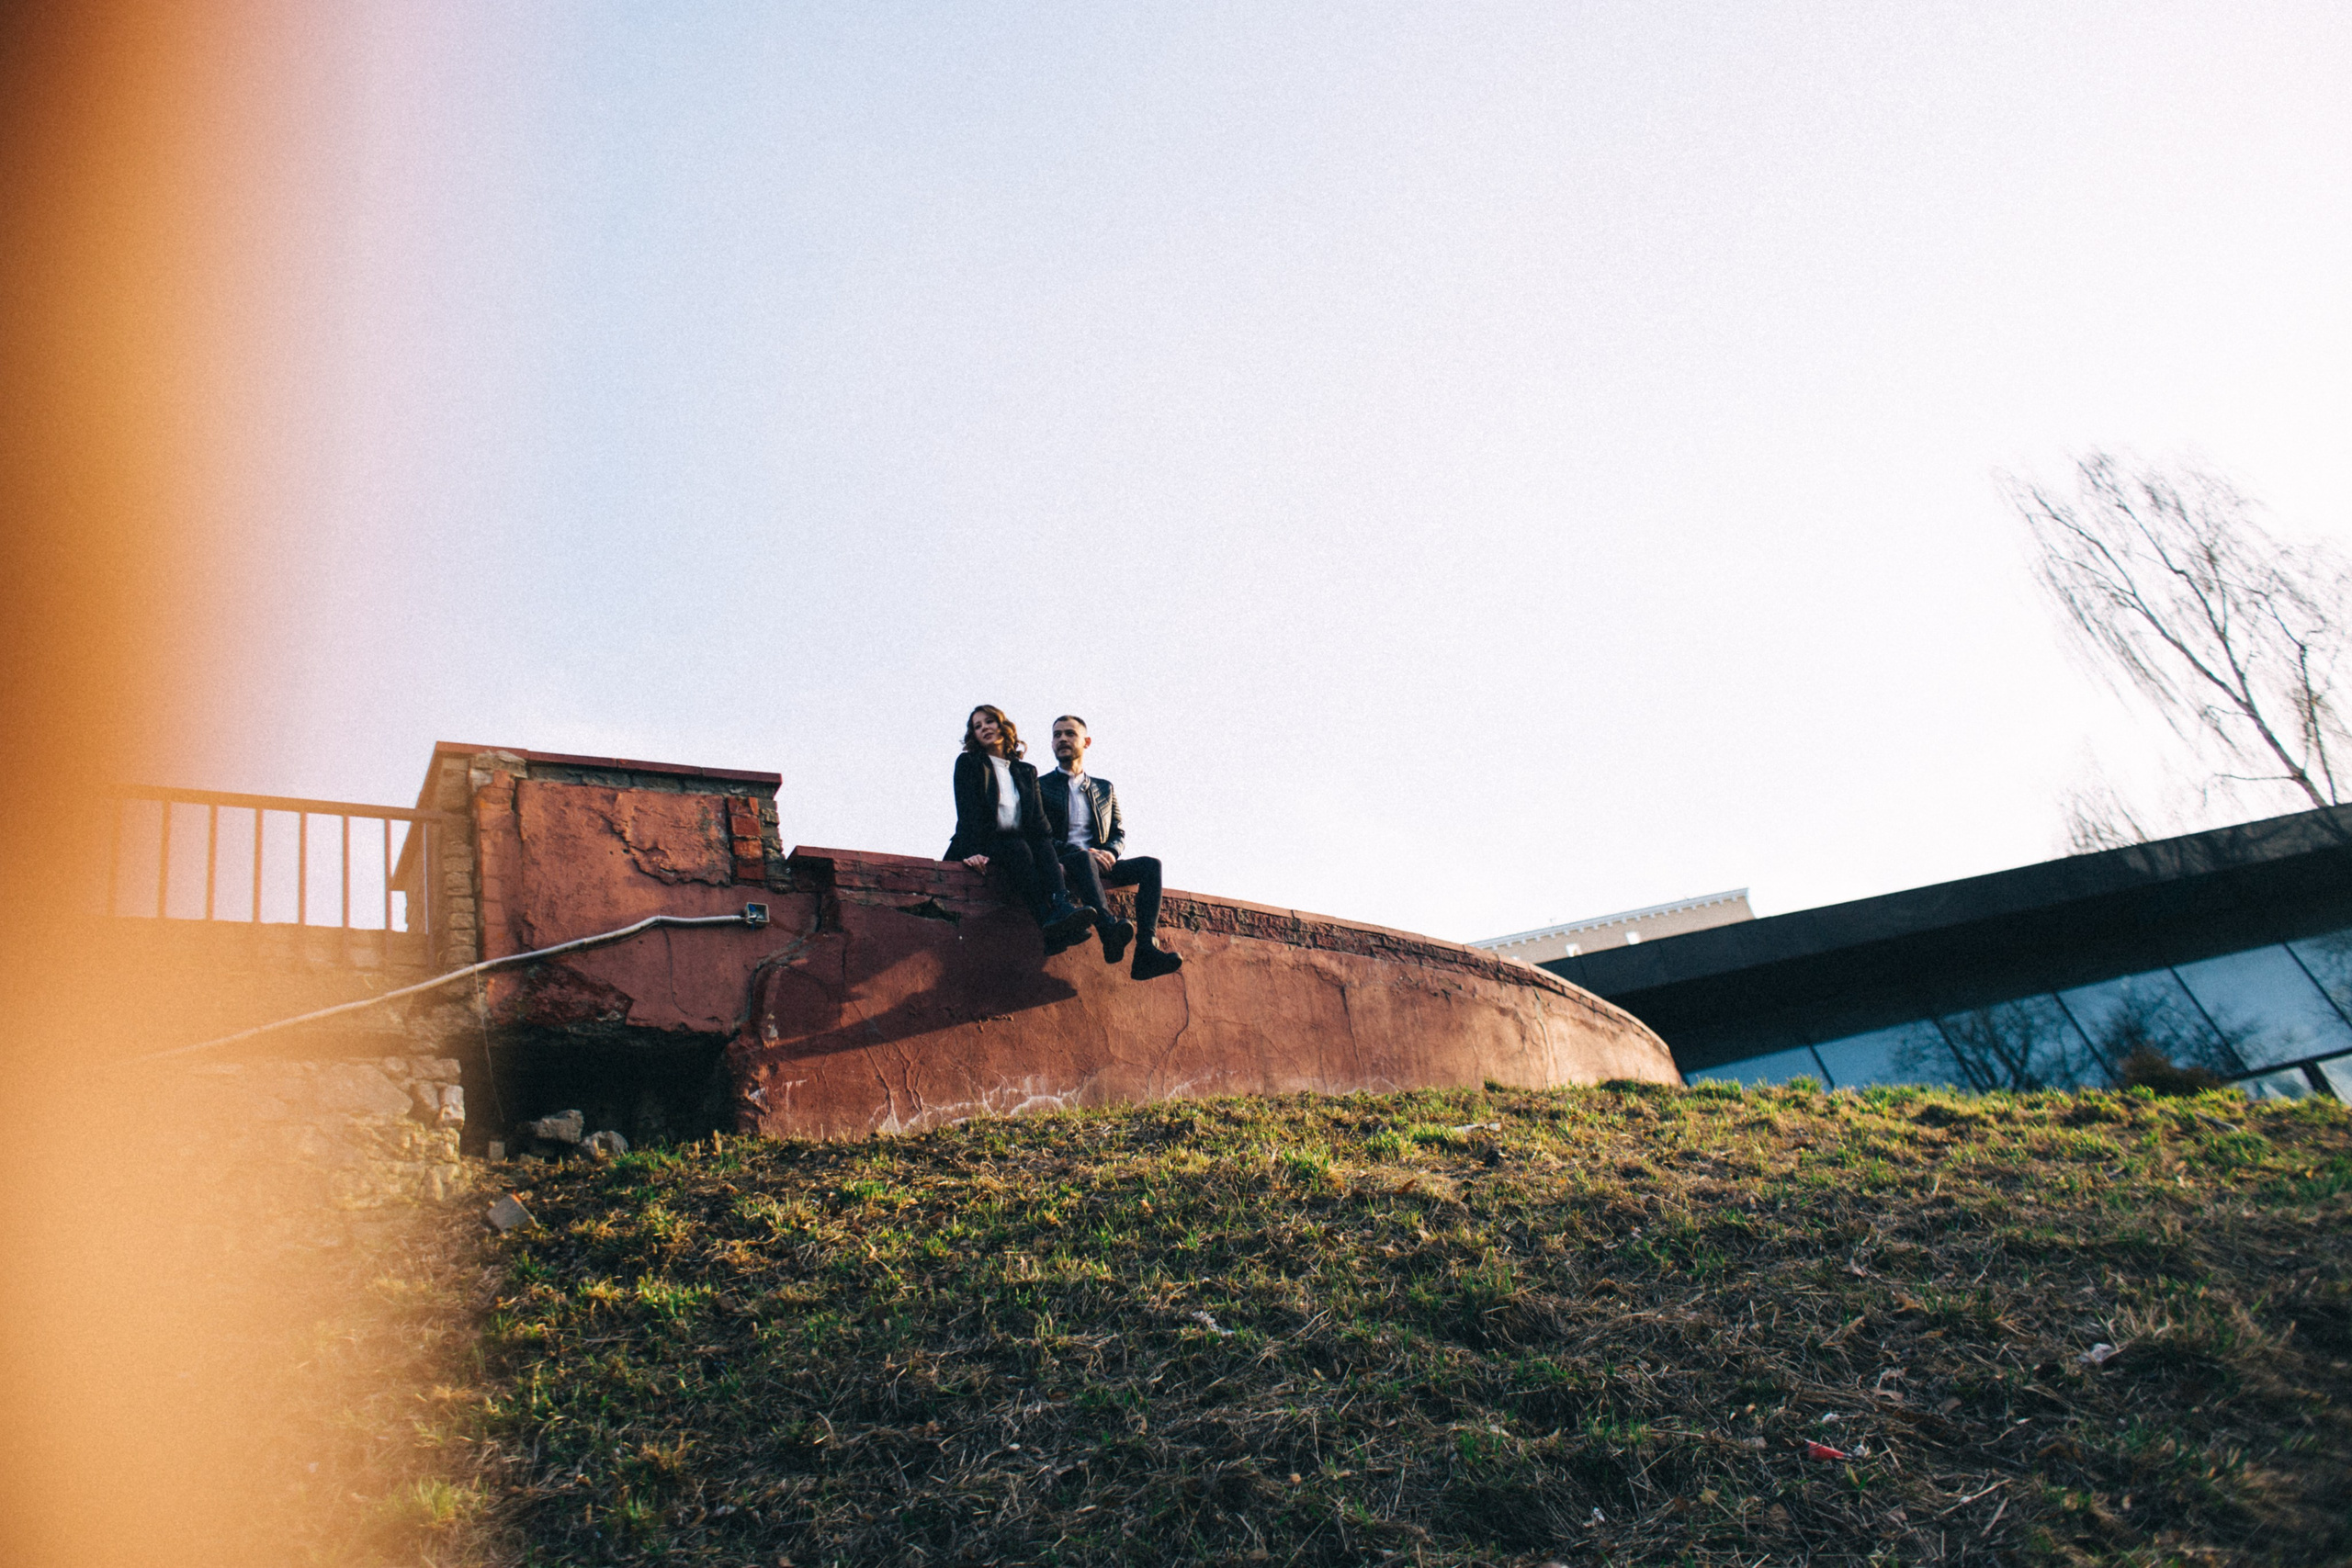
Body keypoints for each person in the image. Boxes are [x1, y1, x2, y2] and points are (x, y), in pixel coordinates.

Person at [1038, 715, 1184, 980]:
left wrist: (1111, 852)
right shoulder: (1040, 786)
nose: (1062, 740)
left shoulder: (1104, 788)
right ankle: (1108, 930)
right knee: (1083, 857)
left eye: (1070, 734)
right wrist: (1079, 853)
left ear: (1086, 741)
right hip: (1067, 860)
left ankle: (1145, 951)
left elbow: (1118, 831)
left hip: (1100, 863)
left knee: (1151, 866)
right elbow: (1040, 835)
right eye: (1057, 735)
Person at [944, 705, 1096, 953]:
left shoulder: (1026, 771)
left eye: (989, 722)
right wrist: (971, 851)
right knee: (1020, 848)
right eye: (977, 726)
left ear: (1002, 725)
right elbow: (966, 810)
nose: (984, 728)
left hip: (1019, 841)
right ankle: (1050, 924)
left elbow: (1038, 824)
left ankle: (1061, 906)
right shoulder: (969, 763)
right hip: (985, 842)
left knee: (1041, 842)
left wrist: (1053, 855)